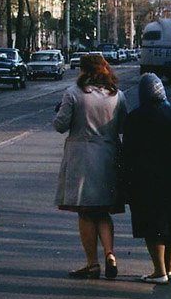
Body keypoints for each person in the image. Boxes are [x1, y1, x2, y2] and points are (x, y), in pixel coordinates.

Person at [54, 52, 130, 280]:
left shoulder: (74, 93)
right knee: (103, 210)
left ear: (84, 71)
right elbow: (123, 126)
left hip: (82, 158)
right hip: (108, 155)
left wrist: (59, 112)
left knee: (86, 212)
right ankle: (110, 254)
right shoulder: (119, 96)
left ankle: (92, 264)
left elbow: (60, 125)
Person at [122, 74, 171, 284]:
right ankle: (170, 267)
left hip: (146, 182)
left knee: (152, 227)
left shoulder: (134, 118)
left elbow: (127, 154)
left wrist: (125, 184)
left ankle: (159, 271)